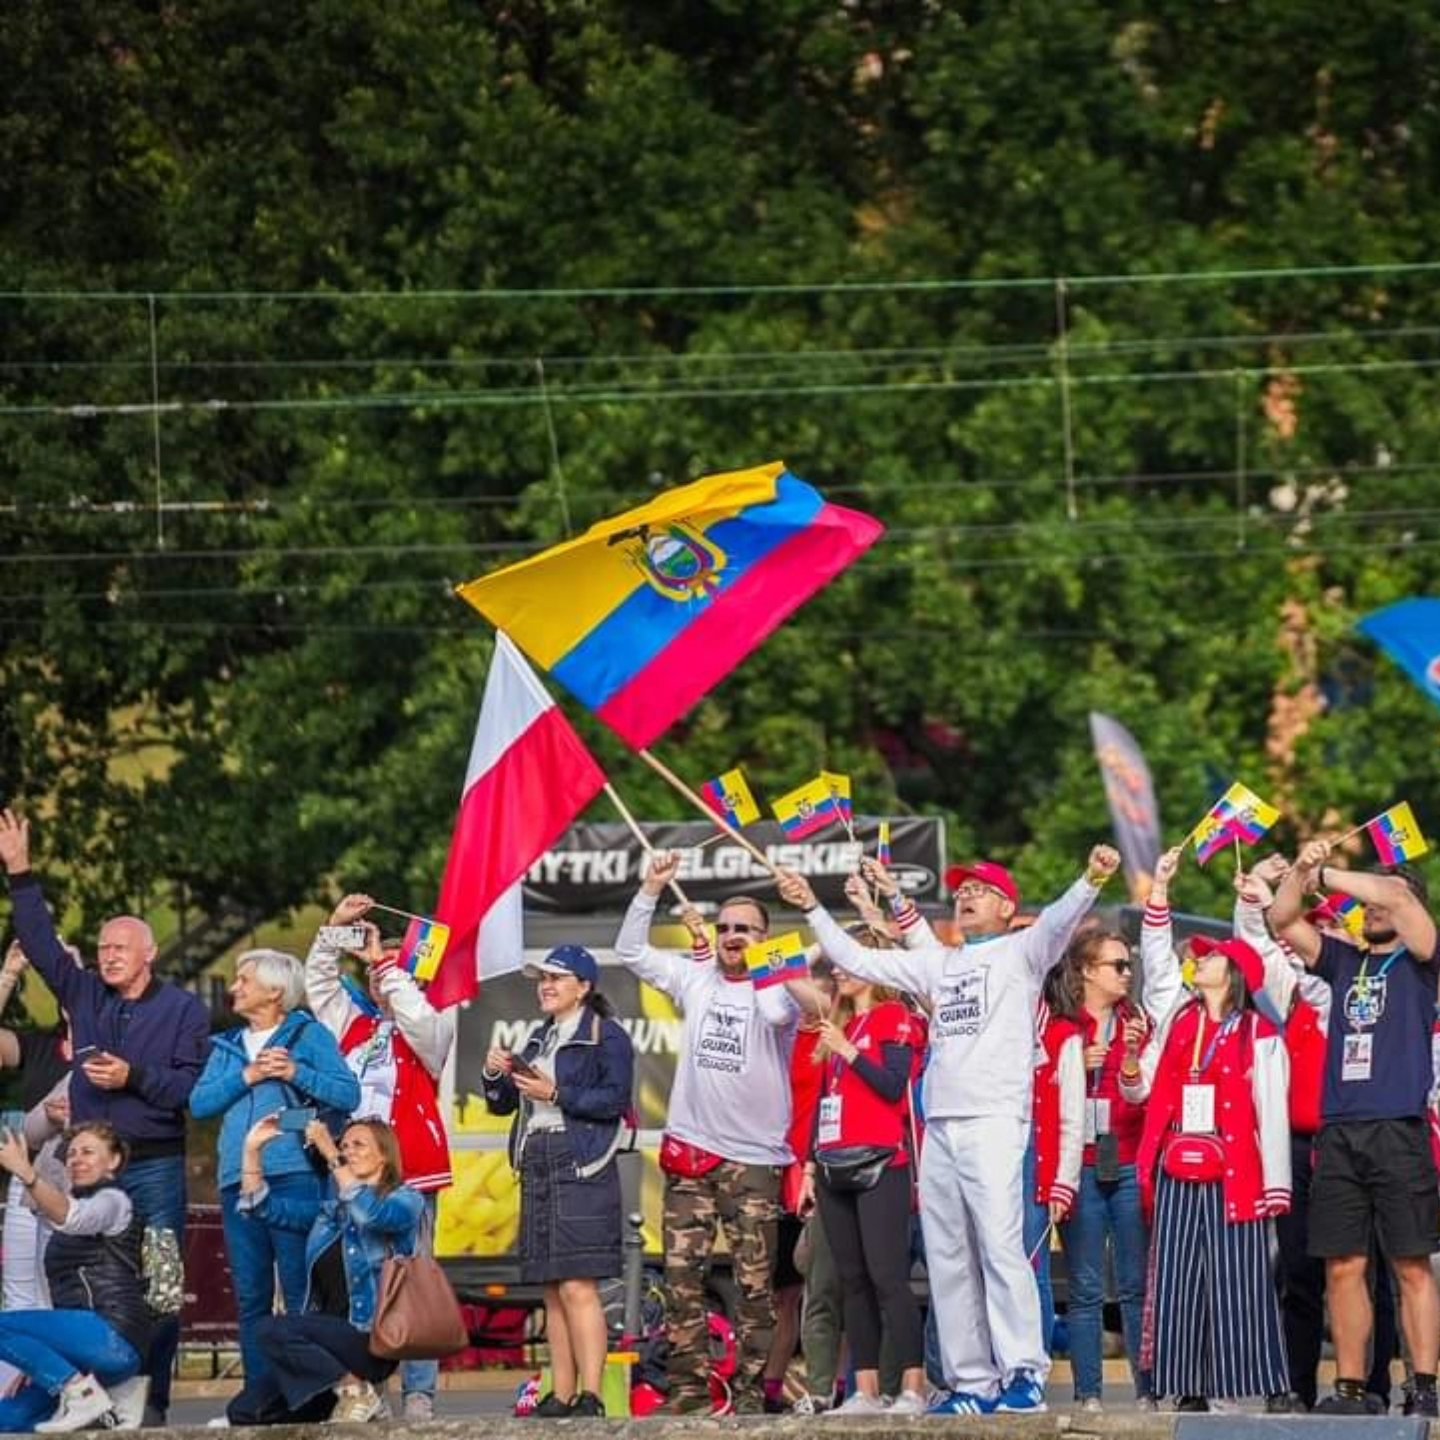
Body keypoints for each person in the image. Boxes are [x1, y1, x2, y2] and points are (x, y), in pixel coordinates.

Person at [776, 843, 1120, 1416]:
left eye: (979, 890)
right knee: (948, 1257)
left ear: (1007, 907)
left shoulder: (1022, 952)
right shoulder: (938, 963)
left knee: (1000, 1249)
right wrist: (812, 906)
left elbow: (1059, 920)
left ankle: (1023, 1374)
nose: (965, 897)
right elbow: (859, 959)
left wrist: (1091, 878)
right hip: (941, 1125)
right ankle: (971, 1381)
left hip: (994, 1119)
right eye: (960, 891)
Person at [0, 809, 210, 1426]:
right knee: (76, 1277)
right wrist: (20, 872)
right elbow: (41, 946)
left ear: (149, 954)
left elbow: (190, 1090)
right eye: (102, 949)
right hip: (89, 1167)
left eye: (119, 948)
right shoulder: (87, 994)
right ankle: (82, 1388)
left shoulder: (183, 1011)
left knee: (160, 1284)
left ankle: (152, 1401)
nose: (108, 956)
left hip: (153, 1164)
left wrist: (133, 1077)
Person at [614, 853, 817, 1414]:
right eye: (724, 927)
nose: (731, 936)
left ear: (764, 937)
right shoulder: (694, 978)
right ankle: (687, 1391)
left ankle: (749, 1395)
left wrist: (771, 963)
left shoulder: (778, 988)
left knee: (755, 1288)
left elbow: (778, 1016)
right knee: (682, 1281)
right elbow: (630, 951)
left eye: (744, 928)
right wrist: (650, 888)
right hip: (692, 1155)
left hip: (754, 1161)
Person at [1270, 841, 1440, 1417]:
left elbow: (1395, 893)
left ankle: (1423, 1386)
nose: (1372, 907)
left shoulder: (1422, 959)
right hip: (1340, 1129)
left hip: (1398, 1127)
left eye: (1380, 901)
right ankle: (1349, 1387)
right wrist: (1299, 872)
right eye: (1366, 904)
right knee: (1343, 1264)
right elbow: (1282, 918)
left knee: (1409, 1263)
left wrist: (1327, 873)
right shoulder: (1344, 961)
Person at [1234, 858, 1399, 1412]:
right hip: (1300, 1148)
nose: (1321, 937)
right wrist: (1255, 896)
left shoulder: (1358, 990)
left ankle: (1373, 1386)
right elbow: (1258, 951)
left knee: (1368, 1274)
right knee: (1300, 1274)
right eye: (1317, 928)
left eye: (1331, 927)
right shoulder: (1297, 994)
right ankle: (1296, 1387)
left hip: (1355, 1143)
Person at [305, 896, 455, 1419]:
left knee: (412, 1278)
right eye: (370, 971)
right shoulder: (355, 1025)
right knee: (355, 1280)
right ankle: (368, 1387)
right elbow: (320, 985)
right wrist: (334, 929)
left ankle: (419, 1391)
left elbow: (421, 1020)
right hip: (352, 1172)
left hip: (410, 1172)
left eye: (389, 969)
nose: (377, 977)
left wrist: (388, 968)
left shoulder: (430, 1027)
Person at [1131, 925, 1290, 1410]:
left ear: (1235, 973)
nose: (1199, 961)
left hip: (1235, 1169)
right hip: (1177, 1163)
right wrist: (1131, 1068)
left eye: (1212, 956)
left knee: (1239, 1277)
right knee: (1177, 1275)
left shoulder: (1258, 1032)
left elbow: (1271, 1109)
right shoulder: (1180, 1020)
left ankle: (1249, 1383)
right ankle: (1189, 1386)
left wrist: (1277, 1184)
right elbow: (1141, 1089)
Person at [190, 949, 360, 1393]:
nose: (233, 988)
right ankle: (259, 1399)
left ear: (274, 991)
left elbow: (348, 1094)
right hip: (237, 1180)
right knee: (251, 1296)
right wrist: (245, 1076)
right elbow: (200, 1104)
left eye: (243, 980)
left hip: (294, 1175)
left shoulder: (309, 1034)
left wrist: (295, 1071)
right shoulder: (226, 1045)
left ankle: (312, 1394)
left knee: (300, 1289)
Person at [481, 945, 634, 1418]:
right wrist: (493, 1074)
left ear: (584, 987)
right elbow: (502, 1105)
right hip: (538, 1159)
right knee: (551, 1287)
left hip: (580, 1160)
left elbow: (614, 1100)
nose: (545, 986)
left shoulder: (606, 1034)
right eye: (542, 979)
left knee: (577, 1285)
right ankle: (561, 1393)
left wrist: (557, 1093)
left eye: (556, 978)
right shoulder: (538, 1036)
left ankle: (592, 1394)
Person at [794, 924, 927, 1417]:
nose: (838, 972)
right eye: (835, 964)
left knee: (887, 1277)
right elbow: (825, 1103)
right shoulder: (842, 1024)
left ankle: (912, 1385)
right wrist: (810, 1169)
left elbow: (893, 1085)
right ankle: (865, 1390)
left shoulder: (895, 1017)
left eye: (849, 962)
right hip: (833, 1164)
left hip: (881, 1161)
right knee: (851, 1280)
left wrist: (848, 1052)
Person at [225, 1116, 423, 1425]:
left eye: (359, 1145)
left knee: (269, 1328)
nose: (348, 1151)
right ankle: (346, 1393)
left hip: (370, 1340)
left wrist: (330, 1153)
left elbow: (371, 1215)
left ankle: (356, 1390)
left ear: (384, 1155)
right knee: (244, 1412)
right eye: (345, 1145)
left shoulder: (406, 1200)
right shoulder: (331, 1214)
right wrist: (252, 1149)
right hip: (324, 1353)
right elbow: (260, 1207)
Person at [1046, 925, 1156, 1413]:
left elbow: (1149, 1090)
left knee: (1135, 1285)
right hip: (1081, 1168)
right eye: (1118, 965)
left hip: (1128, 1161)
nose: (1127, 973)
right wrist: (1071, 1066)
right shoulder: (1060, 1026)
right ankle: (1088, 1392)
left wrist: (1131, 1055)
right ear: (1088, 971)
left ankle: (1148, 1390)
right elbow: (1041, 1091)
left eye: (1129, 965)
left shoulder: (1140, 1021)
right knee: (1086, 1288)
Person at [0, 1122, 152, 1433]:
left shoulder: (114, 1201)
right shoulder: (72, 1208)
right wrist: (38, 1358)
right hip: (82, 1353)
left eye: (88, 1152)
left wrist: (27, 1174)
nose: (76, 1159)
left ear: (113, 1161)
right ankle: (112, 1400)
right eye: (71, 1154)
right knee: (10, 1418)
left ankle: (83, 1396)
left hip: (113, 1335)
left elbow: (74, 1217)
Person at [0, 941, 75, 1350]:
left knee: (58, 1294)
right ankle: (24, 1379)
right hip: (27, 1177)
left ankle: (64, 1377)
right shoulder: (40, 1046)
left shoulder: (113, 1054)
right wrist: (10, 973)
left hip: (78, 1186)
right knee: (18, 1297)